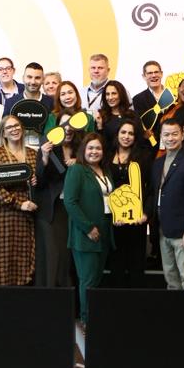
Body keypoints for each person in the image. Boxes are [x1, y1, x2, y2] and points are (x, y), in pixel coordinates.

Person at [64, 133, 114, 327]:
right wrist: (88, 227)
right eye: (90, 148)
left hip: (104, 232)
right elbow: (70, 202)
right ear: (83, 150)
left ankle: (94, 318)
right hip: (86, 234)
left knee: (97, 279)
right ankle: (86, 321)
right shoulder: (77, 170)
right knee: (88, 281)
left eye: (98, 148)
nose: (94, 151)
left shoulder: (105, 170)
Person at [150, 120, 184, 291]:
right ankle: (174, 309)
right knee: (171, 278)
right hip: (163, 229)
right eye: (166, 134)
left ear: (182, 134)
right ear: (161, 137)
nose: (170, 138)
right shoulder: (158, 163)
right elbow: (155, 194)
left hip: (183, 232)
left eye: (174, 134)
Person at [0, 114, 39, 286]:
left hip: (30, 212)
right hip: (7, 213)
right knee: (6, 257)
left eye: (17, 126)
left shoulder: (32, 154)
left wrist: (36, 182)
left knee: (26, 256)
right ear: (3, 133)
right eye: (9, 127)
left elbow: (40, 183)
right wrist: (18, 203)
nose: (14, 129)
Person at [106, 118, 152, 288]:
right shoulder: (107, 156)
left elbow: (151, 188)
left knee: (136, 265)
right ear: (117, 134)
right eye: (123, 132)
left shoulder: (144, 157)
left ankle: (136, 302)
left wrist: (145, 213)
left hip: (137, 221)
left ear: (135, 136)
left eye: (131, 133)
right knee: (116, 265)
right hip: (113, 220)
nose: (126, 136)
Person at [35, 116, 76, 288]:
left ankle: (72, 298)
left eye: (71, 124)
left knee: (70, 258)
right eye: (64, 124)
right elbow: (39, 183)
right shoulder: (48, 148)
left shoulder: (82, 149)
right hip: (53, 210)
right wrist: (44, 158)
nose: (68, 128)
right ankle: (51, 296)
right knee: (53, 256)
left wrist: (79, 164)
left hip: (75, 209)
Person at [95, 80, 134, 154]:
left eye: (114, 93)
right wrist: (100, 126)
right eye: (107, 94)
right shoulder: (100, 116)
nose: (110, 97)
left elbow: (138, 141)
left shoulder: (132, 116)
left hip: (129, 157)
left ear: (121, 94)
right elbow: (98, 143)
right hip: (106, 158)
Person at [83, 53, 112, 117]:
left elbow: (128, 116)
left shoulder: (119, 91)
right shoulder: (81, 92)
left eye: (100, 68)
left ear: (108, 70)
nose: (96, 71)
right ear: (89, 70)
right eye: (93, 68)